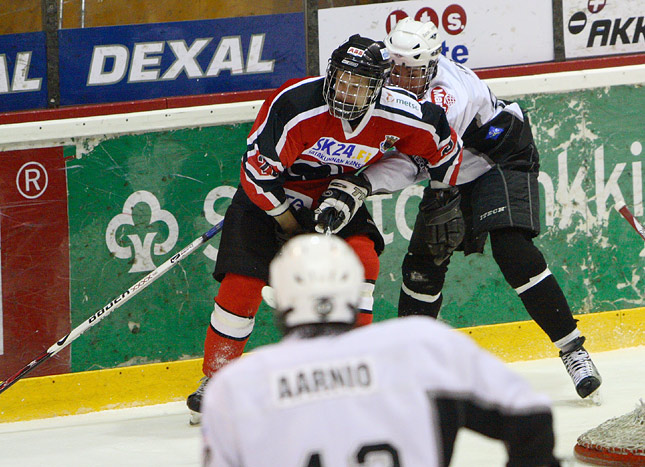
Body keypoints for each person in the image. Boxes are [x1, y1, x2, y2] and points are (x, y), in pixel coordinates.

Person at [186, 33, 463, 423]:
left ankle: (352, 374)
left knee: (363, 262)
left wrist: (443, 197)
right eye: (341, 79)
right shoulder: (295, 104)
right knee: (242, 283)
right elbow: (255, 176)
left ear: (378, 87)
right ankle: (215, 379)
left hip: (334, 195)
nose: (346, 90)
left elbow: (445, 147)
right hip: (275, 197)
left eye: (359, 83)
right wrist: (289, 225)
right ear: (330, 75)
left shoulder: (402, 112)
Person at [367, 17, 601, 399]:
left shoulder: (450, 96)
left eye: (411, 70)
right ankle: (412, 366)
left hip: (500, 158)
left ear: (430, 63)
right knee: (422, 268)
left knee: (512, 249)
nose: (401, 76)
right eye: (396, 67)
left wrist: (366, 181)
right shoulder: (388, 71)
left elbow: (417, 163)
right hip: (451, 171)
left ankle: (574, 351)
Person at [200, 234, 562, 467]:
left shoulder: (238, 387)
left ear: (279, 301)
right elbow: (529, 417)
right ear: (353, 291)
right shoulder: (419, 345)